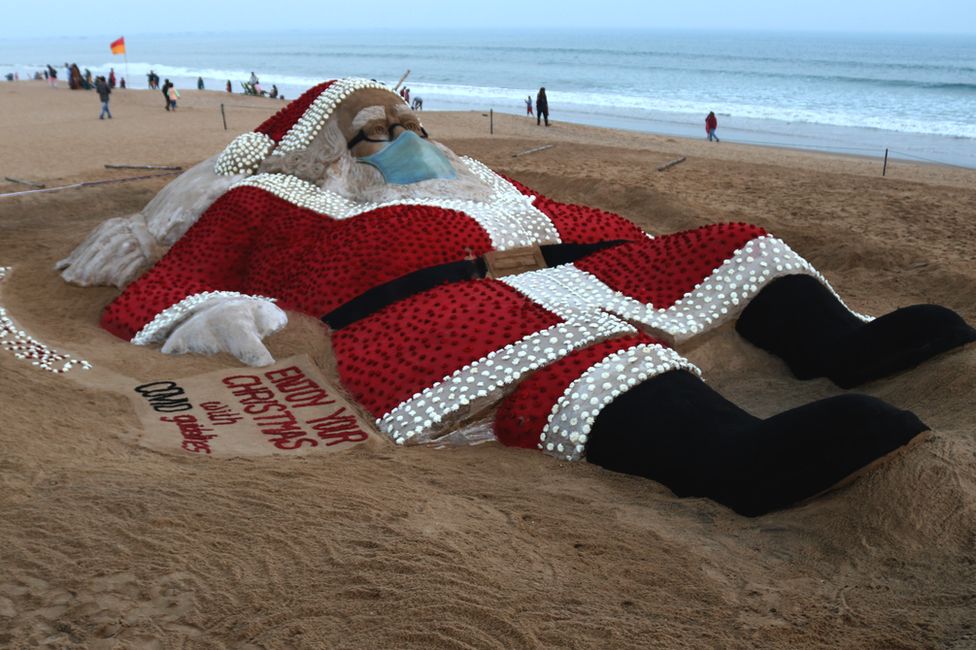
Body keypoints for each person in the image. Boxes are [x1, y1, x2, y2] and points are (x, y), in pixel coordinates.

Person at [57, 78, 975, 517]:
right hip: (432, 304)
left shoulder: (482, 175)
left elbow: (578, 215)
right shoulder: (280, 200)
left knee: (729, 241)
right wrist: (221, 317)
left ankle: (841, 343)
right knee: (558, 339)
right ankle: (731, 455)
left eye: (405, 116)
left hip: (574, 257)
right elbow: (161, 291)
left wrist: (642, 248)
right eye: (373, 125)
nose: (402, 130)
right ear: (330, 143)